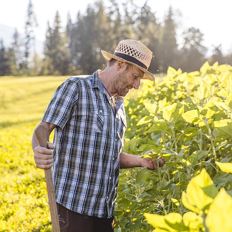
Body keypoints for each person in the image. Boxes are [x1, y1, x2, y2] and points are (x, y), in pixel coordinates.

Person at [32, 39, 165, 232]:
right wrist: (38, 148)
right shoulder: (76, 88)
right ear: (120, 64)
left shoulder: (119, 105)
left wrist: (142, 161)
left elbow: (110, 155)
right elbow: (43, 128)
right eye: (135, 76)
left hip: (104, 211)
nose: (137, 85)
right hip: (73, 209)